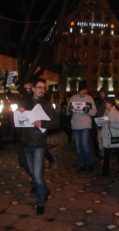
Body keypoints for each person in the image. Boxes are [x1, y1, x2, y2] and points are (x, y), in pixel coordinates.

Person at [19, 79, 59, 215]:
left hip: (39, 144)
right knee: (34, 174)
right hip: (26, 143)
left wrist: (42, 123)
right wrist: (20, 113)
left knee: (37, 175)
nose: (42, 90)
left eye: (43, 88)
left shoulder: (47, 105)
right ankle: (44, 190)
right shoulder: (25, 103)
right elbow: (18, 122)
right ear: (33, 89)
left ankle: (40, 202)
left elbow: (56, 122)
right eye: (39, 87)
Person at [67, 81, 97, 172]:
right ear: (79, 90)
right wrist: (70, 109)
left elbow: (94, 112)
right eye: (82, 90)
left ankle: (89, 163)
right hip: (76, 125)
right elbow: (67, 112)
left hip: (86, 125)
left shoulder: (90, 98)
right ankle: (82, 165)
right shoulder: (73, 98)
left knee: (85, 144)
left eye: (85, 90)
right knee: (78, 147)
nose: (84, 92)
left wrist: (88, 111)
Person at [101, 97, 119, 176]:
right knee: (107, 155)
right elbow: (105, 123)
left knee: (118, 154)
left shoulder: (117, 113)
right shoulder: (106, 112)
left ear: (111, 104)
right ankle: (105, 171)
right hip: (107, 137)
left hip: (114, 137)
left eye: (106, 103)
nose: (105, 104)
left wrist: (111, 124)